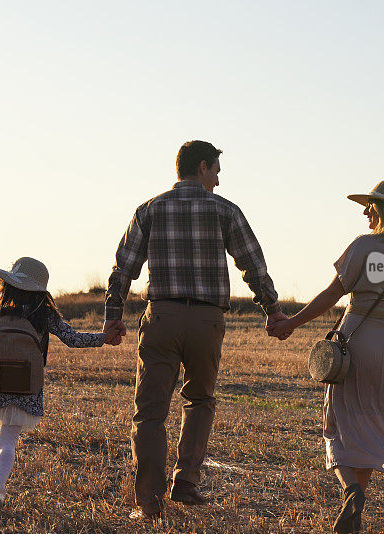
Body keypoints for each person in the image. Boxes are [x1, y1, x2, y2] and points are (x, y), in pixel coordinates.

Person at [103, 140, 289, 519]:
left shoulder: (150, 209)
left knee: (150, 413)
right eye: (216, 171)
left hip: (163, 318)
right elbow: (252, 263)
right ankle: (186, 481)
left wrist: (112, 313)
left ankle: (150, 503)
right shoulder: (225, 210)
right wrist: (272, 309)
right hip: (207, 321)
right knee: (200, 400)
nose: (218, 181)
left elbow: (124, 267)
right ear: (202, 167)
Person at [268, 180, 384, 533]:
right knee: (374, 423)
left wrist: (292, 322)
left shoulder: (364, 247)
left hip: (357, 340)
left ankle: (351, 489)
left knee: (338, 421)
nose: (365, 211)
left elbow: (331, 294)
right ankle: (356, 507)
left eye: (371, 206)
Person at [0, 257, 122, 512]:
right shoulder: (44, 313)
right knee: (8, 441)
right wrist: (103, 338)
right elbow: (72, 339)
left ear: (8, 285)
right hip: (25, 385)